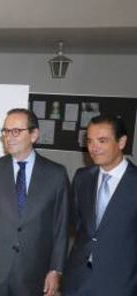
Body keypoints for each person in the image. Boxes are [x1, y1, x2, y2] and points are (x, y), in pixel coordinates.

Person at [0, 108, 69, 296]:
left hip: (34, 271)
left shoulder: (56, 174)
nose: (9, 137)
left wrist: (56, 270)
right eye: (6, 131)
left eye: (16, 131)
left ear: (34, 135)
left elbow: (61, 228)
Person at [63, 115, 137, 296]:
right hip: (76, 281)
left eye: (102, 141)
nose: (93, 148)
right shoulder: (82, 177)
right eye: (90, 141)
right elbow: (80, 227)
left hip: (120, 284)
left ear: (122, 142)